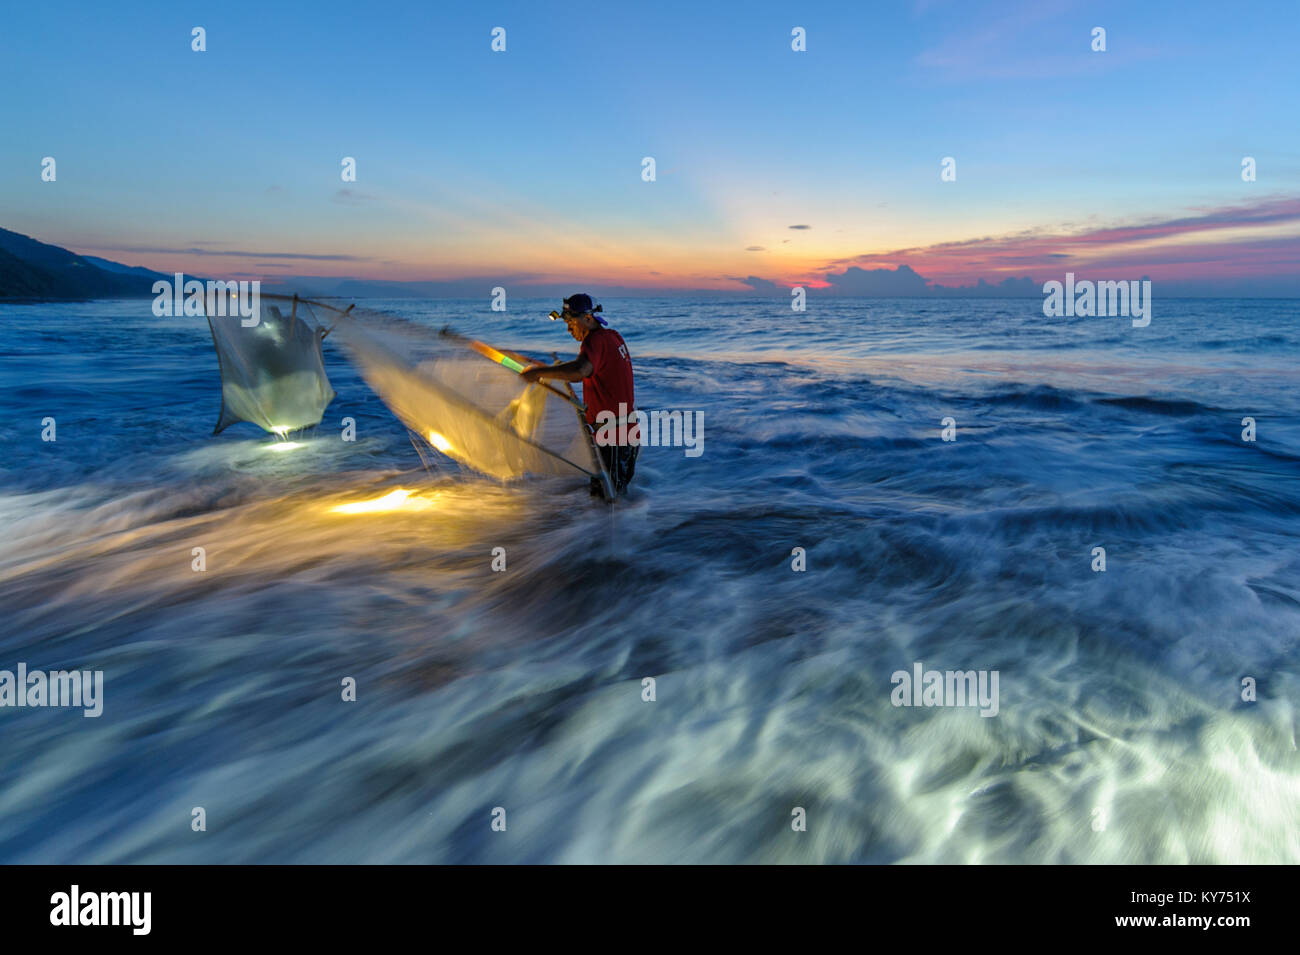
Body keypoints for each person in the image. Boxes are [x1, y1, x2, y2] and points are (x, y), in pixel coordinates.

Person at [520, 293, 638, 497]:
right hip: (625, 431)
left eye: (571, 322)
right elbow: (598, 375)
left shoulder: (595, 341)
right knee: (609, 499)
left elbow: (579, 370)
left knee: (610, 502)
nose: (568, 328)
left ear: (588, 319)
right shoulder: (613, 337)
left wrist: (538, 373)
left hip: (613, 436)